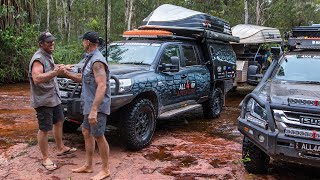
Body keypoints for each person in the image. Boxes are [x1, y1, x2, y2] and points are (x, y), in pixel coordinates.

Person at [64, 31, 111, 180]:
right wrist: (66, 73)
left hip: (97, 106)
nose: (82, 43)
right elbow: (83, 79)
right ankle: (89, 165)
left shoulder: (97, 61)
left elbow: (102, 85)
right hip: (89, 104)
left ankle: (105, 169)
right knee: (85, 131)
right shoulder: (89, 59)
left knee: (98, 135)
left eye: (83, 41)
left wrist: (94, 110)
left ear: (88, 42)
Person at [28, 31, 77, 171]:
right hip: (43, 100)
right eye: (49, 42)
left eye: (52, 41)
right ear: (41, 44)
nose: (52, 43)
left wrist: (61, 68)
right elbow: (37, 78)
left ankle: (60, 147)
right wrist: (56, 72)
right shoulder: (38, 58)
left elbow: (50, 70)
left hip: (53, 97)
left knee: (59, 121)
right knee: (44, 129)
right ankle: (45, 158)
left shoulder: (47, 55)